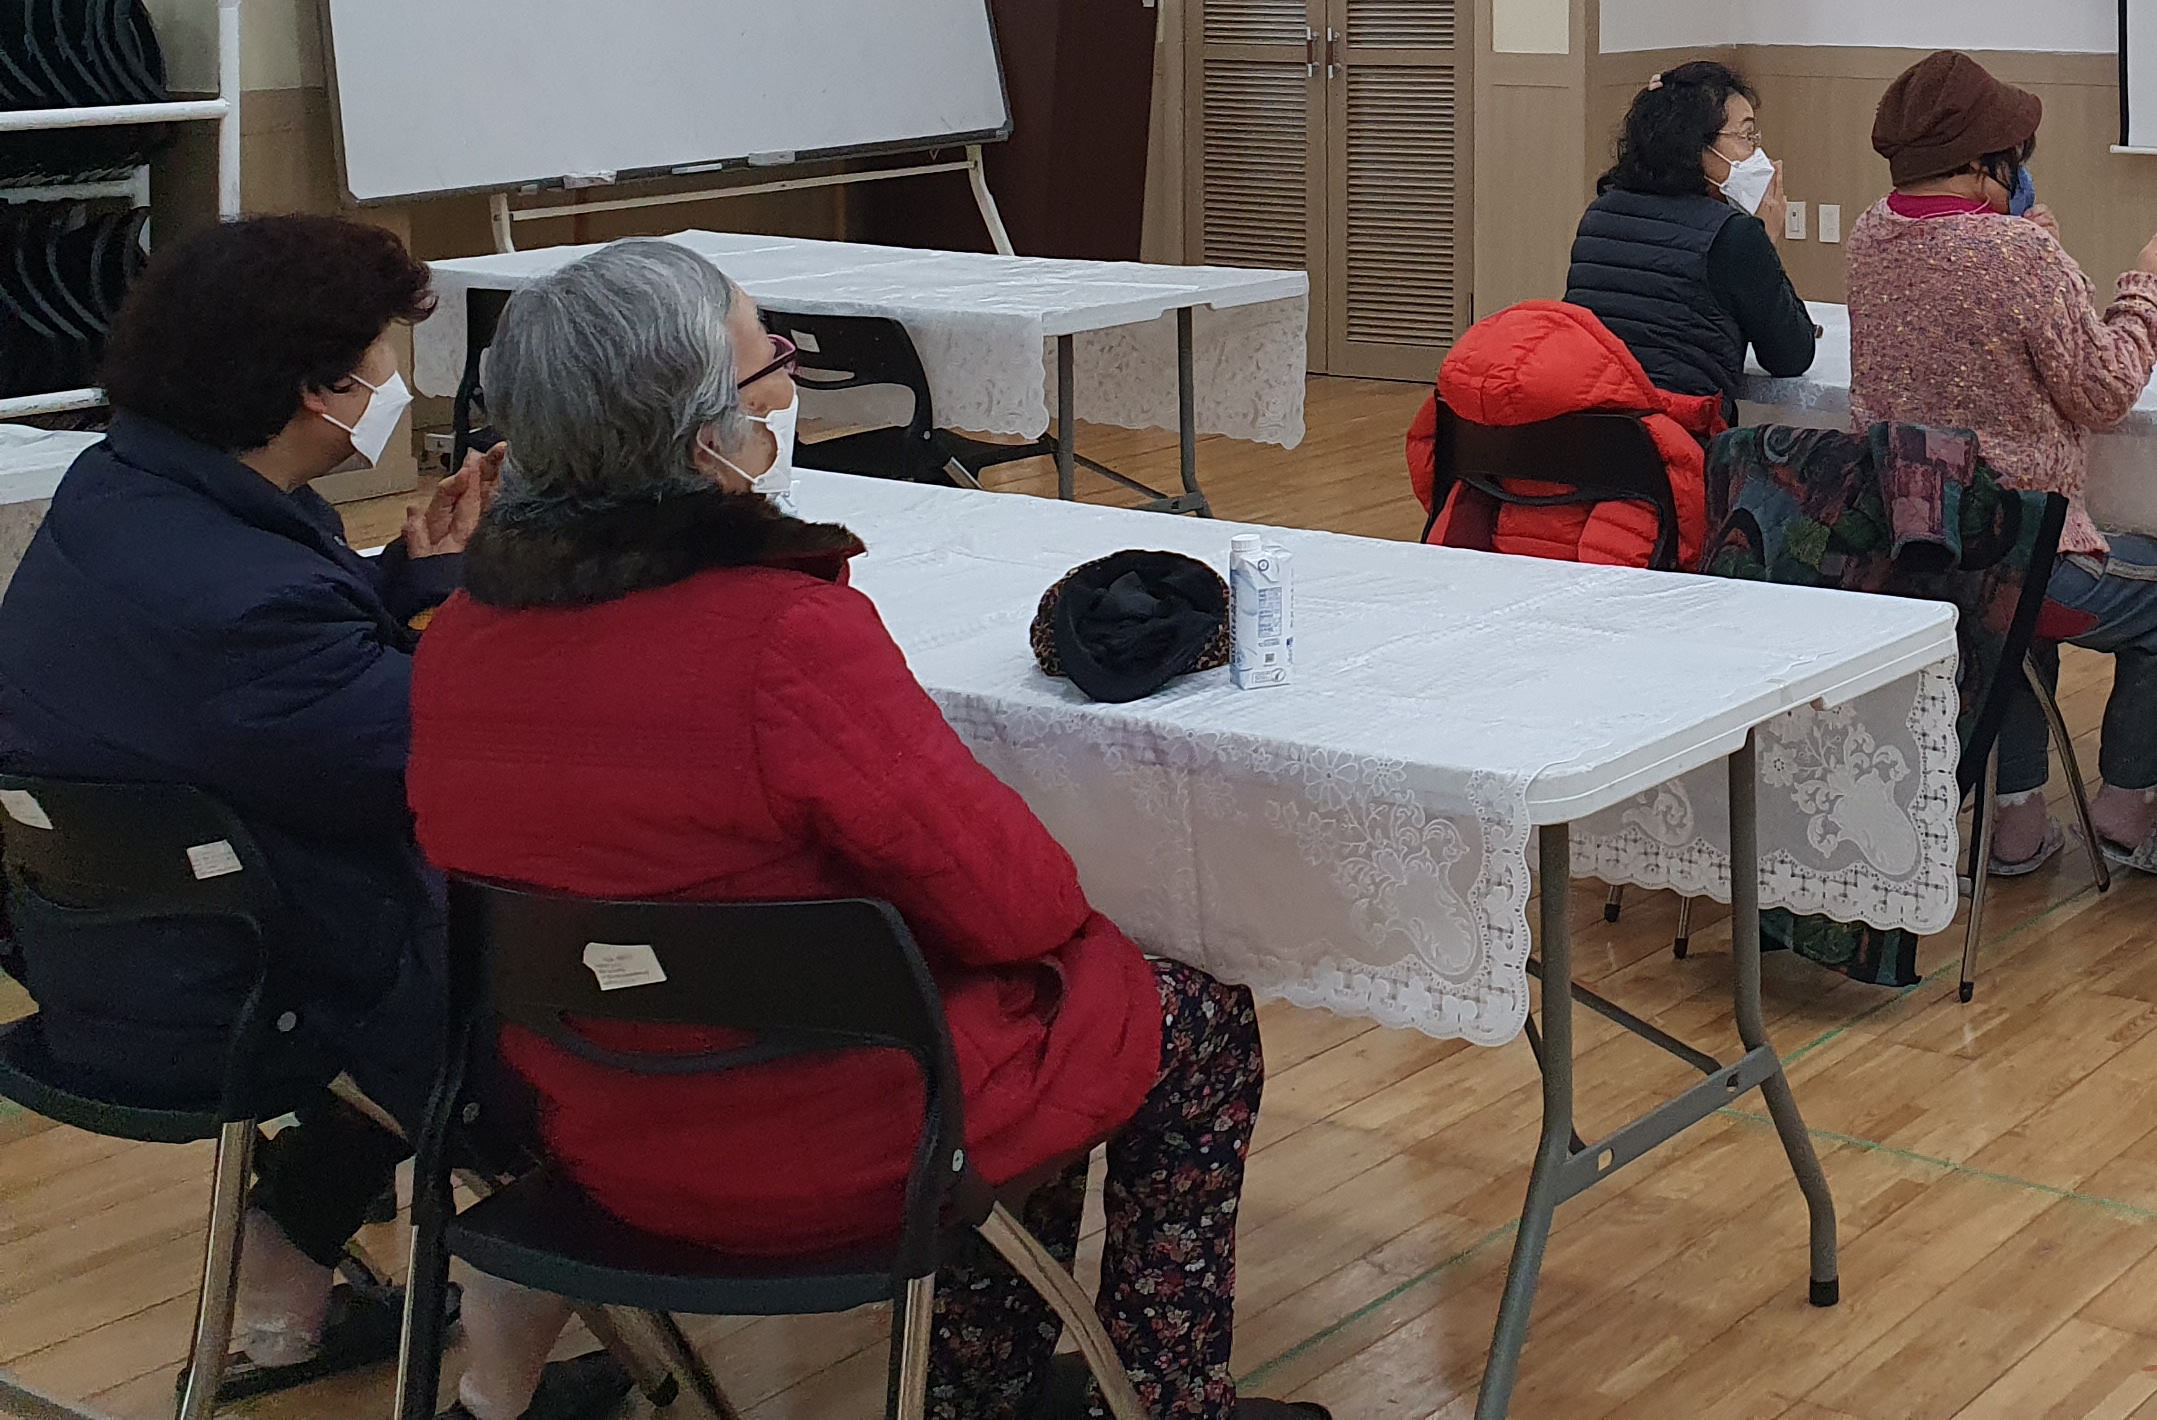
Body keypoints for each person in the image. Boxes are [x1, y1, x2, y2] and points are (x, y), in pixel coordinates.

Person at [406, 241, 1320, 1420]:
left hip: (600, 1138)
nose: (786, 389)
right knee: (1163, 1009)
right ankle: (1161, 1396)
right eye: (771, 368)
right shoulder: (782, 639)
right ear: (702, 441)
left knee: (1028, 1014)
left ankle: (981, 1386)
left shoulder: (459, 644)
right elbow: (1019, 904)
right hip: (834, 1149)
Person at [0, 215, 600, 1418]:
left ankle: (284, 1276)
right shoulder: (247, 604)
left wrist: (412, 579)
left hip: (113, 947)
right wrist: (500, 606)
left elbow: (267, 698)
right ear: (318, 391)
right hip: (227, 995)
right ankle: (499, 1379)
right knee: (590, 973)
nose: (392, 385)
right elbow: (439, 762)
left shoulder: (125, 490)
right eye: (379, 362)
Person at [1841, 49, 2157, 876]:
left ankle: (2017, 820)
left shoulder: (1870, 234)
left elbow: (1956, 289)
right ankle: (2126, 805)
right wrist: (2146, 292)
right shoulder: (2019, 258)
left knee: (2005, 610)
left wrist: (2030, 253)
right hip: (2013, 553)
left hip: (1909, 547)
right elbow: (2104, 391)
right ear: (1981, 165)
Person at [1562, 58, 1816, 401]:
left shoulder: (1599, 215)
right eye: (1745, 136)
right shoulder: (1734, 235)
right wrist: (1765, 244)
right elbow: (1791, 356)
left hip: (1590, 417)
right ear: (1696, 145)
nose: (1757, 153)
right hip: (1682, 423)